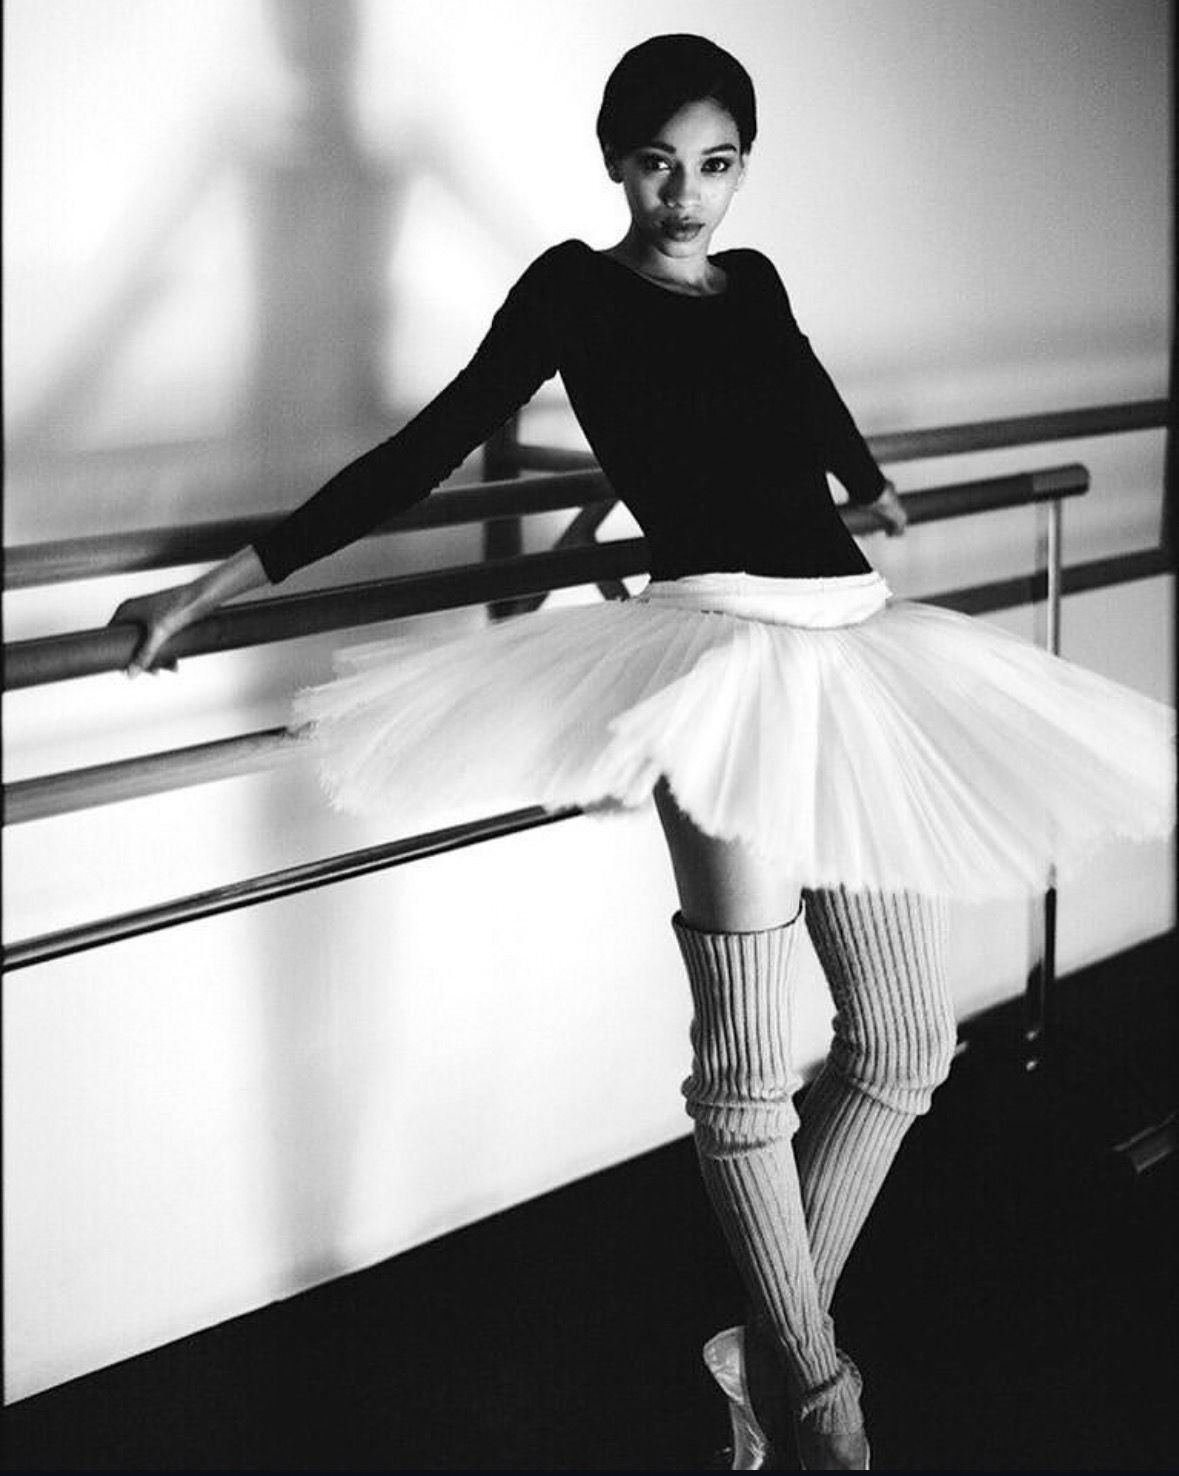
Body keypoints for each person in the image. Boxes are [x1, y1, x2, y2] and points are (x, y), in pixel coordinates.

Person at [110, 34, 1174, 1471]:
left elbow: (797, 385)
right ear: (617, 161)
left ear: (744, 168)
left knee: (908, 1042)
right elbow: (425, 450)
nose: (688, 194)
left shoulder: (760, 282)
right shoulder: (572, 286)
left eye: (717, 165)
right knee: (747, 1069)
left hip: (848, 645)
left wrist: (867, 483)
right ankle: (821, 1408)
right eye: (660, 164)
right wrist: (224, 581)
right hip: (711, 661)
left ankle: (760, 1353)